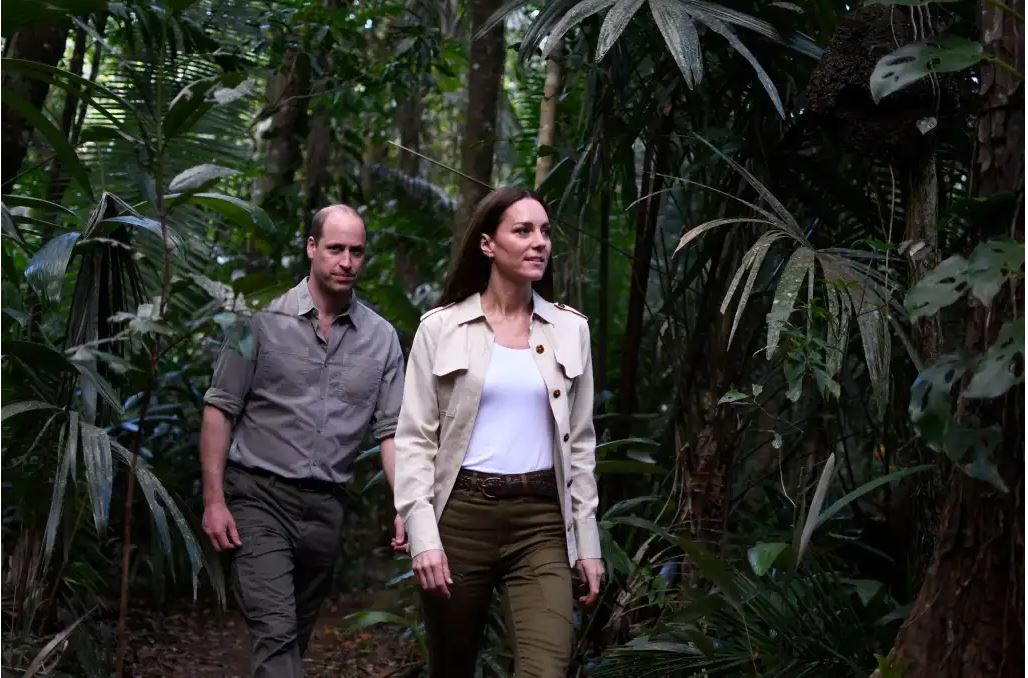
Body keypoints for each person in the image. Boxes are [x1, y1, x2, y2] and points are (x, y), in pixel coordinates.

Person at [394, 187, 605, 678]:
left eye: (546, 233)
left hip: (541, 523)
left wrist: (588, 543)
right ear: (488, 245)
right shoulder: (440, 328)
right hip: (461, 517)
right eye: (523, 231)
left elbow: (582, 445)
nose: (539, 243)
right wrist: (424, 538)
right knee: (453, 666)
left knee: (547, 668)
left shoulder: (570, 330)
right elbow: (415, 442)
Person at [199, 205, 407, 678]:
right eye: (335, 248)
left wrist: (405, 505)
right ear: (312, 248)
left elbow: (392, 432)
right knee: (275, 635)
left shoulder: (381, 339)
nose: (346, 261)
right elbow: (220, 408)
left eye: (357, 251)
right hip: (257, 498)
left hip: (326, 510)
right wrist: (214, 500)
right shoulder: (259, 319)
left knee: (292, 638)